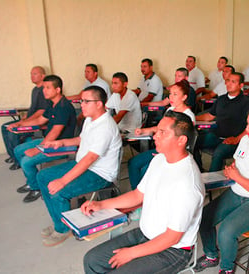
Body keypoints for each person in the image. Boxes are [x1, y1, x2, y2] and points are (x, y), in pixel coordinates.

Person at [82, 111, 205, 274]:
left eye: (163, 133)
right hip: (145, 233)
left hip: (172, 250)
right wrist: (101, 204)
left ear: (181, 140)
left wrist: (131, 253)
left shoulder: (187, 183)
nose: (155, 136)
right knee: (92, 260)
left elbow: (172, 237)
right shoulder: (160, 159)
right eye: (157, 131)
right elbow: (137, 195)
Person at [193, 106, 249, 274]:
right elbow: (238, 162)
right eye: (247, 124)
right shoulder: (245, 141)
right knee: (204, 218)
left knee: (227, 232)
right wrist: (232, 170)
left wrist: (237, 177)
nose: (247, 129)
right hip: (238, 192)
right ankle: (212, 256)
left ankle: (226, 269)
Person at [37, 85, 122, 247]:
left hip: (100, 174)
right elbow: (81, 140)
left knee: (59, 190)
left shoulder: (106, 126)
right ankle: (59, 222)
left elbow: (90, 158)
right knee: (42, 176)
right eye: (81, 100)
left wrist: (62, 181)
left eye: (85, 101)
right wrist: (60, 142)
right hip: (83, 165)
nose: (81, 104)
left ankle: (62, 230)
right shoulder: (90, 119)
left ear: (99, 104)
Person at [13, 75, 76, 203]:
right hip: (49, 140)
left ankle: (36, 188)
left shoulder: (64, 106)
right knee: (18, 150)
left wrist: (37, 150)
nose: (44, 90)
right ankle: (32, 182)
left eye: (48, 88)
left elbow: (55, 132)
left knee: (26, 161)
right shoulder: (52, 104)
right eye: (43, 88)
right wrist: (19, 124)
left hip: (62, 145)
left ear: (58, 90)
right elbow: (39, 120)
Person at [127, 80, 195, 193]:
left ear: (184, 97)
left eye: (175, 94)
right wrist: (143, 130)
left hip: (173, 152)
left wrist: (163, 153)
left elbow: (184, 142)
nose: (171, 97)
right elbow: (159, 128)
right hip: (163, 148)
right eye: (170, 94)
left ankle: (143, 195)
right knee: (133, 163)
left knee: (145, 168)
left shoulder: (188, 116)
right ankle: (137, 193)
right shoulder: (170, 110)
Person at [194, 72, 249, 172]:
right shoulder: (221, 99)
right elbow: (209, 116)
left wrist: (237, 139)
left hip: (234, 140)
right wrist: (192, 118)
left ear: (241, 85)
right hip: (216, 135)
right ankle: (199, 171)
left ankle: (211, 182)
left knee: (218, 153)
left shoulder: (246, 103)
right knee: (193, 143)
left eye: (233, 82)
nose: (229, 84)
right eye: (228, 81)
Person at [2, 66, 51, 170]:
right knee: (4, 127)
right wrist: (25, 116)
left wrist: (27, 121)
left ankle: (18, 160)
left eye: (35, 74)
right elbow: (33, 107)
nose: (32, 76)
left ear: (43, 76)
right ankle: (12, 155)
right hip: (30, 119)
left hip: (38, 122)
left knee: (13, 132)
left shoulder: (44, 90)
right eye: (31, 74)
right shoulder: (34, 90)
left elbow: (41, 111)